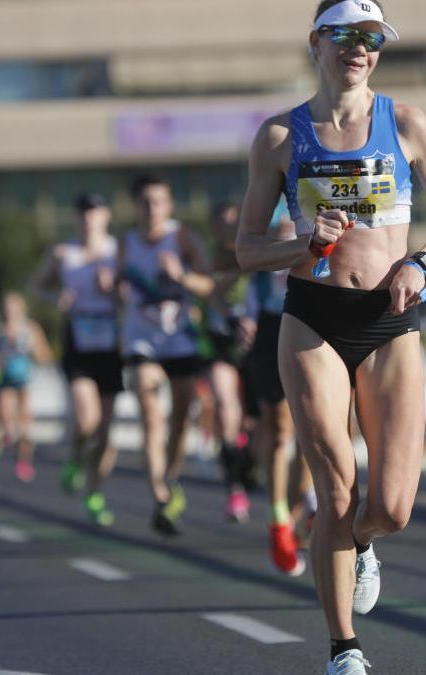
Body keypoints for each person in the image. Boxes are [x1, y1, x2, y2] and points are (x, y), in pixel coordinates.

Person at [235, 2, 426, 671]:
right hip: (312, 316)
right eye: (346, 36)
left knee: (389, 506)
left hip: (389, 321)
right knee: (334, 488)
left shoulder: (407, 124)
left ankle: (359, 543)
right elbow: (248, 249)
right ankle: (344, 648)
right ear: (317, 42)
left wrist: (421, 262)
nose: (360, 49)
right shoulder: (281, 137)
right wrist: (301, 245)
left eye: (372, 40)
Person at [119, 175, 215, 536]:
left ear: (169, 205)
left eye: (158, 202)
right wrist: (110, 285)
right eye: (145, 202)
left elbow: (210, 285)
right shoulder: (126, 243)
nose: (151, 209)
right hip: (141, 341)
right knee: (150, 413)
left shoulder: (183, 239)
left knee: (180, 420)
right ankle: (160, 496)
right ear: (136, 206)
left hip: (179, 340)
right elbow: (115, 283)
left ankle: (170, 478)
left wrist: (181, 276)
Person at [31, 192, 123, 524]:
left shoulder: (117, 251)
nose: (89, 218)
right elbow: (36, 286)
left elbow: (131, 293)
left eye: (95, 212)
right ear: (77, 218)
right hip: (77, 342)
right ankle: (74, 458)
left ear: (106, 216)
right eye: (83, 212)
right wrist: (57, 296)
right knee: (88, 420)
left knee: (106, 434)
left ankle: (95, 491)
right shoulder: (62, 253)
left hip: (111, 343)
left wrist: (113, 288)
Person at [243, 202, 315, 576]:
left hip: (315, 317)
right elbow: (248, 256)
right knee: (281, 429)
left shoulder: (325, 181)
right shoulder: (271, 188)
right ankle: (278, 518)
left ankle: (297, 509)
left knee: (312, 430)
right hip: (272, 325)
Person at [200, 201, 257, 523]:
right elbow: (209, 292)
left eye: (233, 222)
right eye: (222, 223)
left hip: (253, 341)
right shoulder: (209, 257)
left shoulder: (256, 247)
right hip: (221, 338)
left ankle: (245, 459)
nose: (228, 229)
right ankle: (234, 488)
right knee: (225, 408)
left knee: (253, 422)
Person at [0, 292, 52, 483]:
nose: (10, 312)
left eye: (14, 308)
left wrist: (31, 347)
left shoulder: (31, 329)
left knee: (25, 423)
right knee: (8, 422)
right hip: (5, 379)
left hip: (25, 378)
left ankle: (24, 460)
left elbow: (44, 355)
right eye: (7, 308)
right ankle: (6, 439)